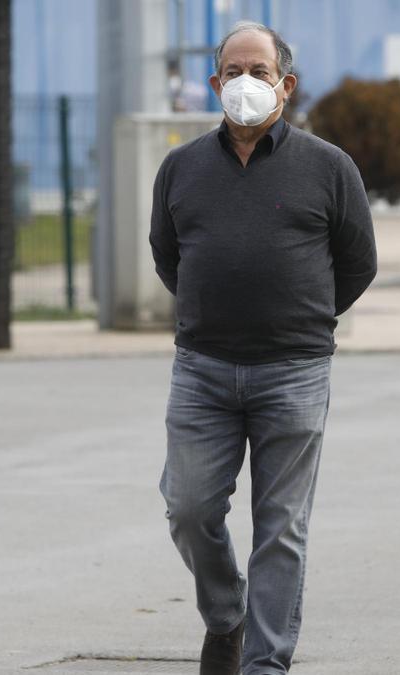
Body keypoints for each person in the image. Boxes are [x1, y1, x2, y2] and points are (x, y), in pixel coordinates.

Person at [148, 21, 377, 675]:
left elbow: (358, 262)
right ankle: (227, 617)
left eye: (260, 72)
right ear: (214, 83)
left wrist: (301, 318)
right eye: (234, 72)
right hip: (203, 368)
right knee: (188, 506)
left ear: (286, 85)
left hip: (294, 370)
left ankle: (264, 664)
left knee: (281, 527)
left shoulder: (329, 168)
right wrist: (212, 308)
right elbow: (170, 258)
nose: (246, 84)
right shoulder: (181, 168)